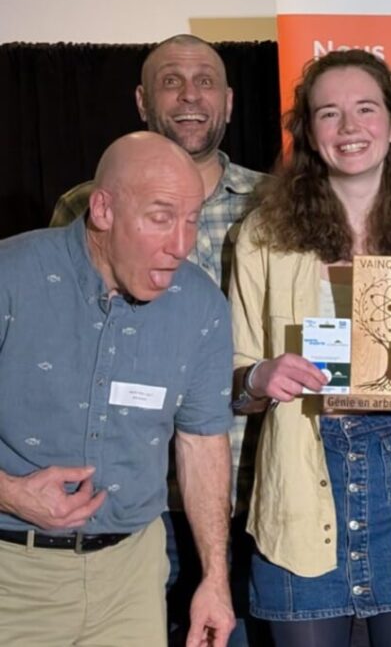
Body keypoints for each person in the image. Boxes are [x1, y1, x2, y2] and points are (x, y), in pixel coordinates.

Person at [229, 49, 391, 647]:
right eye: (329, 113)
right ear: (308, 132)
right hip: (300, 485)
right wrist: (260, 376)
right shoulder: (263, 236)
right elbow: (232, 381)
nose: (348, 128)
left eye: (365, 109)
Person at [50, 33, 268, 646]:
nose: (190, 96)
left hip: (249, 490)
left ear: (229, 101)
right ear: (143, 102)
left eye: (205, 82)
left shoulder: (275, 205)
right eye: (171, 82)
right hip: (128, 496)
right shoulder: (82, 206)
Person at [0, 131, 235, 645]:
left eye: (191, 219)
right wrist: (9, 493)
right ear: (103, 210)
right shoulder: (9, 276)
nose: (180, 245)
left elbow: (202, 441)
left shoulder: (201, 306)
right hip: (11, 576)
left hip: (133, 578)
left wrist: (215, 578)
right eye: (160, 218)